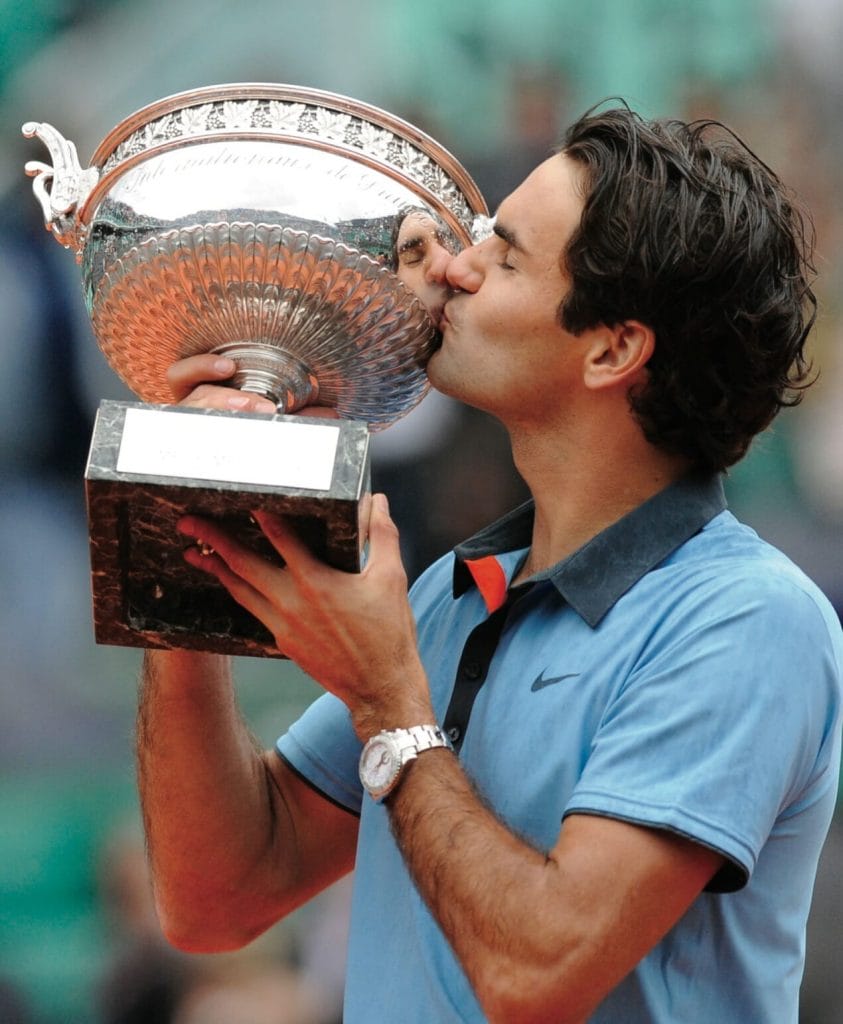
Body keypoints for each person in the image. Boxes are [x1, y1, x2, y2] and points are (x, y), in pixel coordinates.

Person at [136, 105, 843, 1023]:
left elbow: (536, 976)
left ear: (612, 348)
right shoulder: (450, 598)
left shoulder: (747, 621)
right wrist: (196, 542)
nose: (453, 271)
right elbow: (216, 899)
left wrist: (388, 702)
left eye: (503, 258)